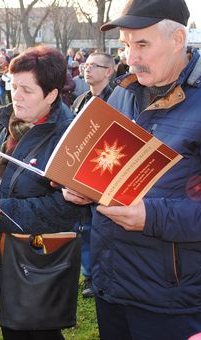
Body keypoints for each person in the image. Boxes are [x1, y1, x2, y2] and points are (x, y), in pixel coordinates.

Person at [62, 0, 201, 339]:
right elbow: (115, 166)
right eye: (126, 45)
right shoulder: (125, 91)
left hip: (167, 295)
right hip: (110, 281)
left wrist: (151, 216)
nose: (130, 57)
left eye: (142, 44)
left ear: (178, 39)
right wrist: (86, 187)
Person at [0, 46, 84, 340]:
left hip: (38, 262)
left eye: (27, 90)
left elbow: (66, 209)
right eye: (13, 86)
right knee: (11, 328)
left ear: (52, 95)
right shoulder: (5, 125)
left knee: (37, 333)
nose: (16, 95)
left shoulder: (70, 140)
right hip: (1, 254)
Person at [70, 51, 116, 298]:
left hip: (109, 172)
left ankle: (107, 273)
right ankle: (89, 275)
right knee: (85, 227)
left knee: (105, 227)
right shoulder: (80, 101)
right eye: (85, 65)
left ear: (109, 71)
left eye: (94, 66)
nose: (87, 69)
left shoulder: (120, 99)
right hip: (81, 173)